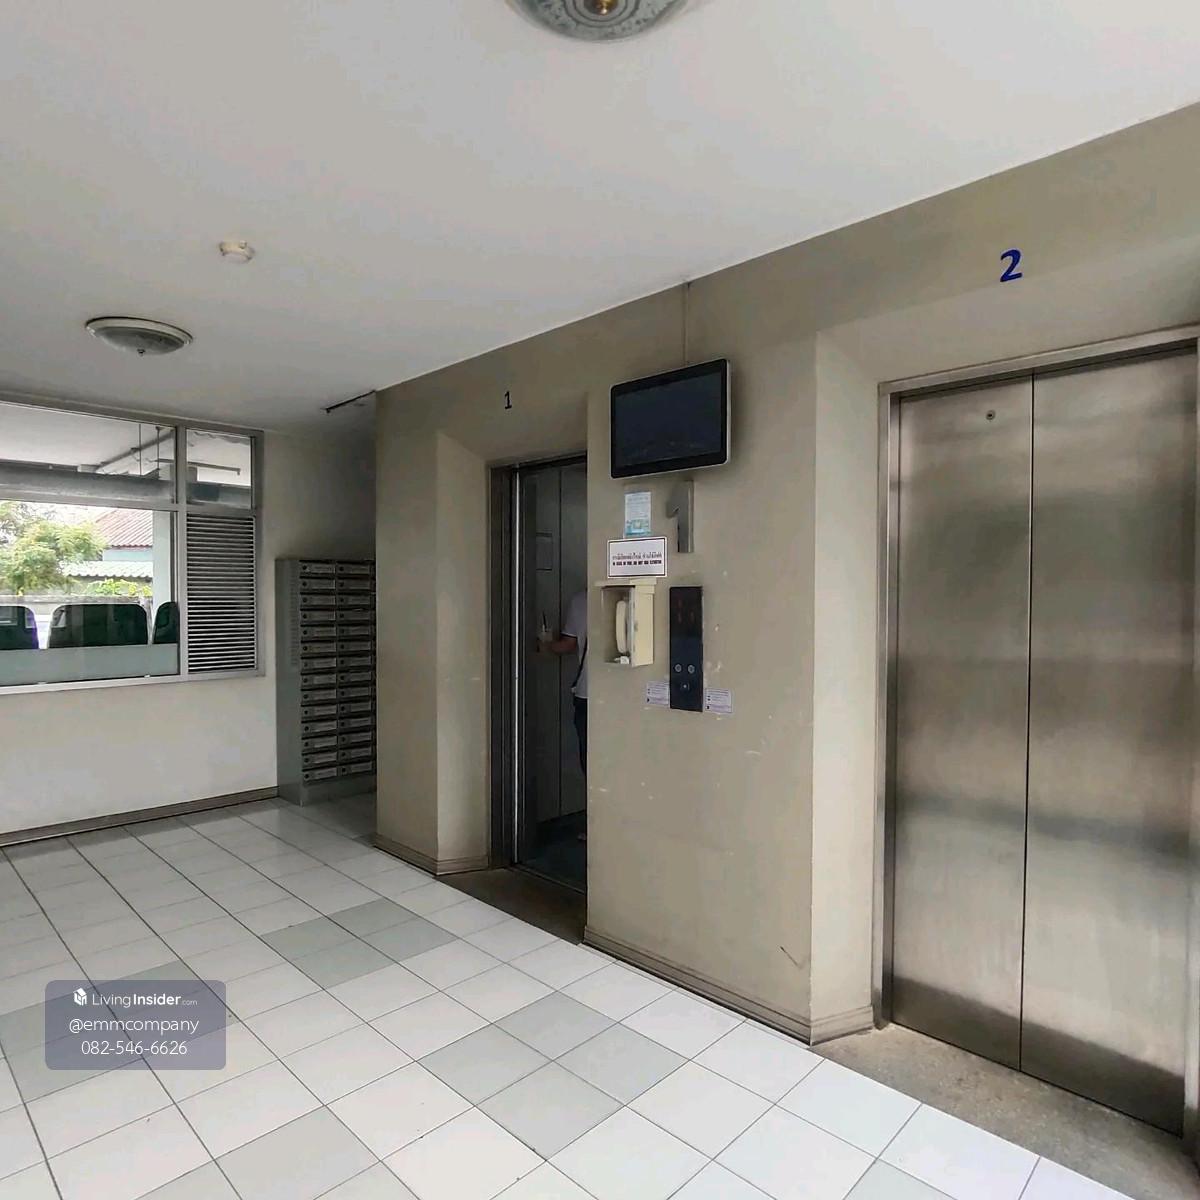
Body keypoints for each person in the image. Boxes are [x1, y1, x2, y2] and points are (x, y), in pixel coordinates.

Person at [541, 589, 588, 776]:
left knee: (588, 753)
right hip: (620, 692)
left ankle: (592, 790)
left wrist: (545, 644)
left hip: (587, 691)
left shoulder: (580, 600)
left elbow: (568, 645)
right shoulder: (628, 593)